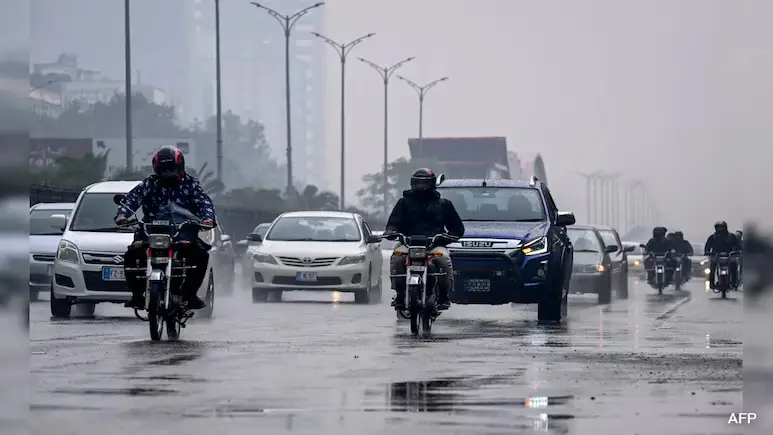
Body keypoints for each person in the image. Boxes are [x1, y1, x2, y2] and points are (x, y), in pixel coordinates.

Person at [114, 146, 216, 310]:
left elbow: (204, 203)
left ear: (180, 166)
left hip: (182, 230)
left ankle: (190, 295)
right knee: (131, 255)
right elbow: (132, 198)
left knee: (200, 255)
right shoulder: (149, 184)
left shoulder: (191, 184)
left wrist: (207, 219)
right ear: (157, 168)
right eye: (164, 169)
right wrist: (122, 215)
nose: (168, 172)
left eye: (172, 169)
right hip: (150, 231)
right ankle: (137, 295)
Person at [385, 168, 465, 310]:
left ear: (432, 184)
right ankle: (400, 294)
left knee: (444, 260)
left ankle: (444, 296)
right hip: (408, 244)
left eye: (424, 183)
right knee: (397, 258)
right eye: (418, 183)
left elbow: (457, 228)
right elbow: (393, 223)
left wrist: (448, 237)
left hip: (435, 245)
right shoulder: (403, 203)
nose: (421, 186)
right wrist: (391, 231)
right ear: (412, 184)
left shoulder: (444, 204)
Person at [704, 221, 741, 289]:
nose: (720, 229)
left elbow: (737, 245)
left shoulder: (731, 236)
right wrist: (707, 251)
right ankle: (711, 283)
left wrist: (737, 251)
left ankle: (734, 282)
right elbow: (708, 246)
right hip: (716, 255)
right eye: (718, 227)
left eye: (722, 227)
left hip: (729, 255)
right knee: (712, 267)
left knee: (733, 266)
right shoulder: (713, 237)